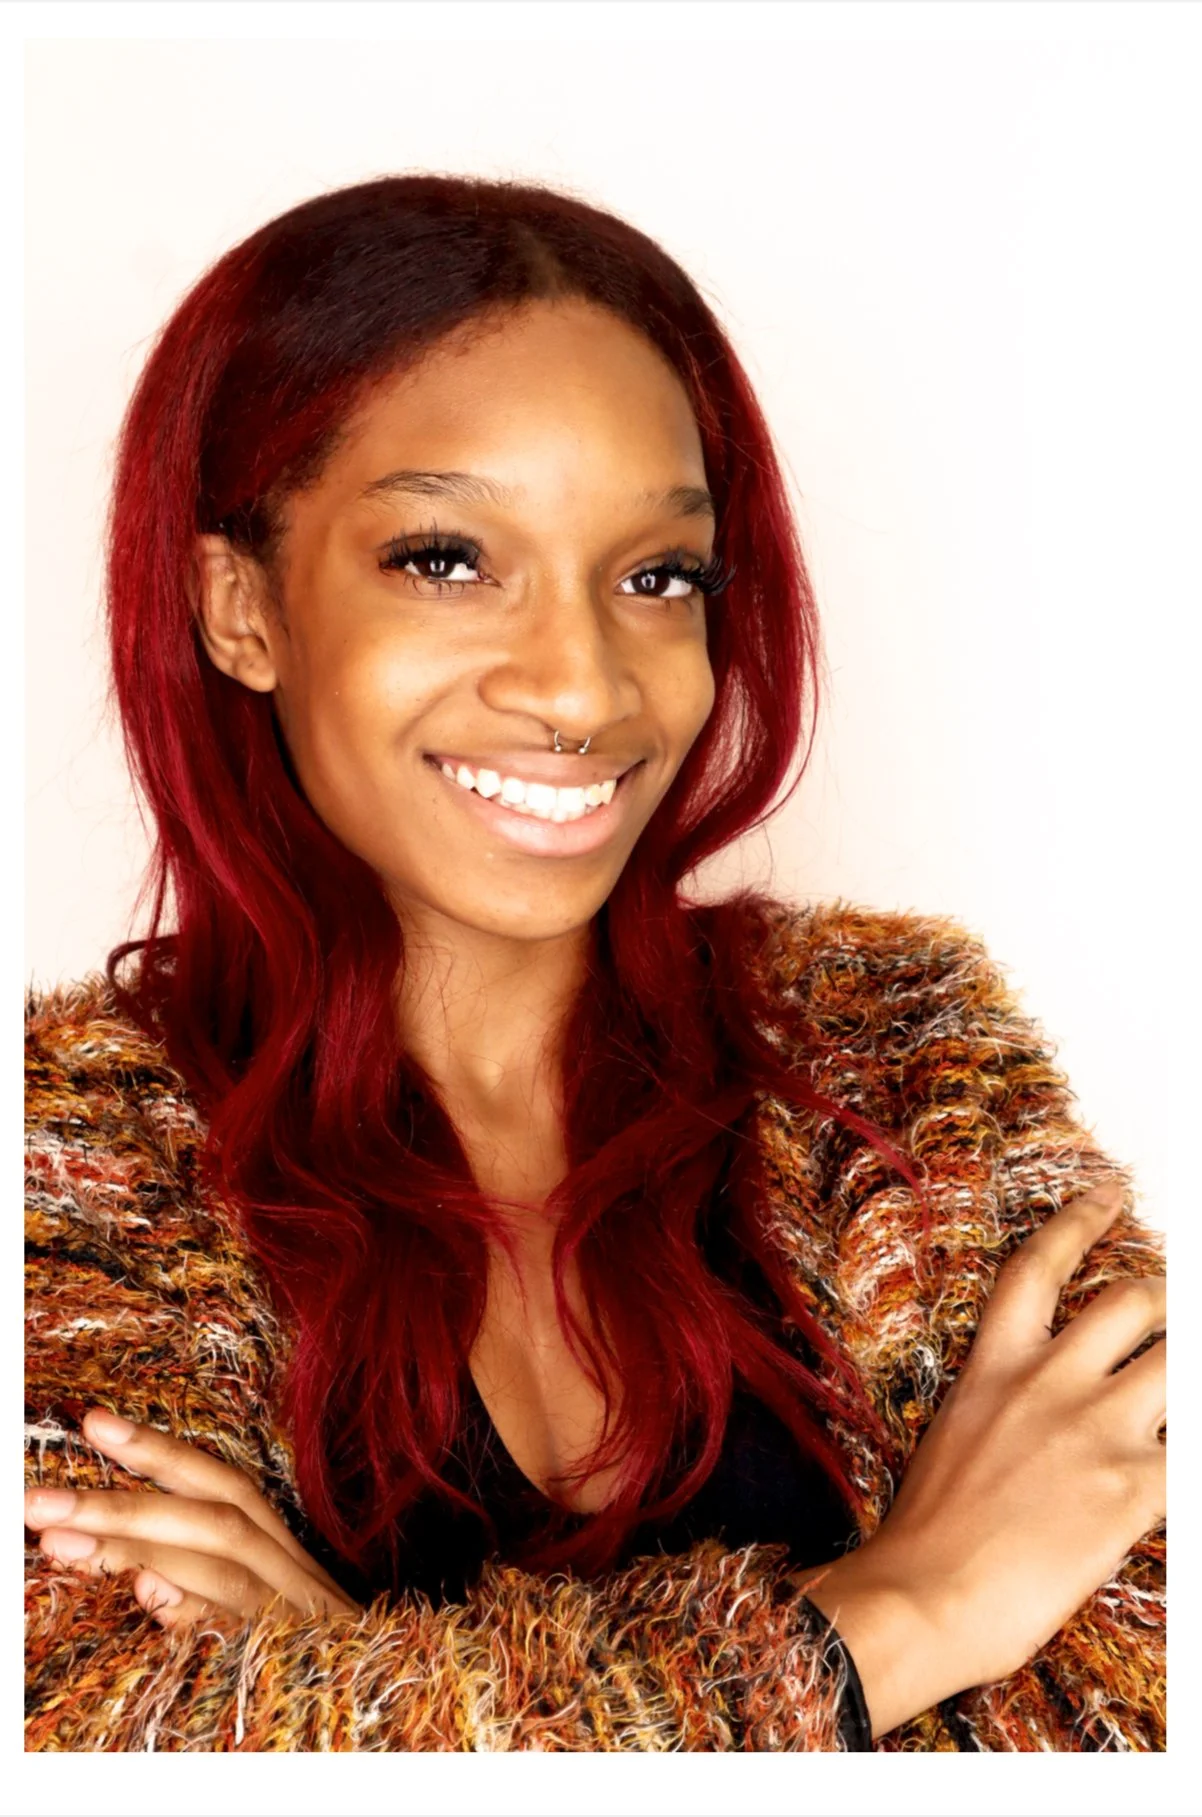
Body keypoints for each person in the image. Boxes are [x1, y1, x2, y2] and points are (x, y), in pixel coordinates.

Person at [23, 174, 1166, 1752]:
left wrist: (365, 1705)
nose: (580, 685)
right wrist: (906, 1611)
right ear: (241, 608)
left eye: (655, 577)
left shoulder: (895, 1062)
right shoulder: (64, 1174)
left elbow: (1138, 1682)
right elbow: (105, 1747)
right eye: (443, 558)